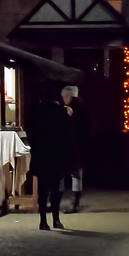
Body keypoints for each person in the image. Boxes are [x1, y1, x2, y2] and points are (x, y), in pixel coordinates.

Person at [27, 85, 72, 230]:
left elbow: (31, 133)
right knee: (55, 189)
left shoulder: (37, 112)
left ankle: (43, 220)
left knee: (43, 189)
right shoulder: (61, 112)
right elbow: (68, 134)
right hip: (57, 155)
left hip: (41, 155)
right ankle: (56, 219)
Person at [60, 84, 89, 213]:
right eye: (63, 96)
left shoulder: (80, 110)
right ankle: (57, 201)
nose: (64, 99)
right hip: (65, 146)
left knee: (76, 174)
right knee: (59, 174)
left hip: (76, 146)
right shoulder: (63, 109)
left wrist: (71, 118)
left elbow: (84, 128)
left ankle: (75, 202)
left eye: (66, 96)